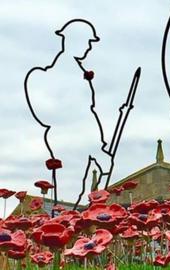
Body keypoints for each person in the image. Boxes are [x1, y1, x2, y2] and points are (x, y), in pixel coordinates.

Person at [24, 19, 113, 207]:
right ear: (73, 41)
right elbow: (79, 115)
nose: (89, 47)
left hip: (83, 140)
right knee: (68, 192)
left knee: (79, 191)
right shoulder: (59, 73)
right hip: (69, 141)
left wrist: (98, 148)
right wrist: (96, 148)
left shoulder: (77, 71)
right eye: (87, 42)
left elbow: (87, 114)